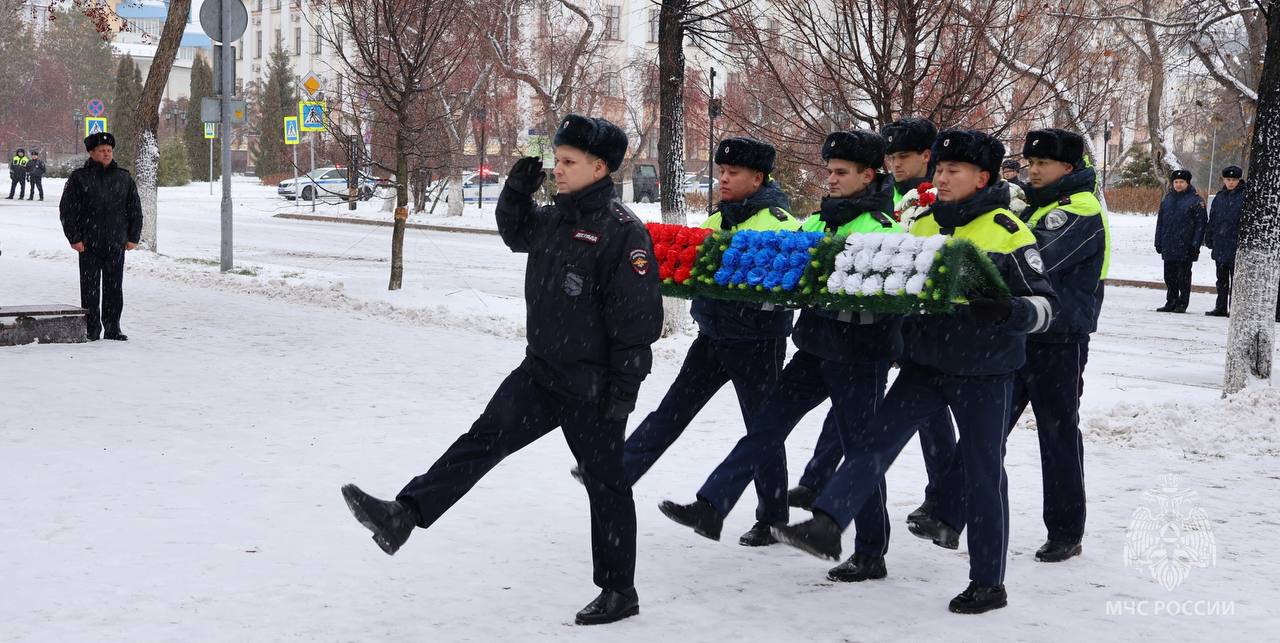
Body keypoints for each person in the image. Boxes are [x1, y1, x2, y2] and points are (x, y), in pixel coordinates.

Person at [339, 115, 662, 626]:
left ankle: (620, 590)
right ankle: (405, 515)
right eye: (557, 160)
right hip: (541, 374)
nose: (558, 169)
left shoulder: (623, 233)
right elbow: (515, 231)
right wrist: (516, 188)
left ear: (599, 168)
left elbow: (638, 322)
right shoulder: (556, 218)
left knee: (606, 485)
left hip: (593, 387)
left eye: (568, 161)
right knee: (482, 441)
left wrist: (624, 390)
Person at [770, 129, 1056, 615]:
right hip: (924, 364)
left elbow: (1048, 307)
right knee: (874, 444)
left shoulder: (1008, 231)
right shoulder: (921, 225)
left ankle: (989, 582)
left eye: (953, 170)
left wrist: (1009, 311)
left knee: (982, 474)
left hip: (984, 372)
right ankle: (828, 524)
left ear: (982, 177)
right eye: (939, 169)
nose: (941, 178)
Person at [659, 129, 901, 582]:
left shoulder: (884, 229)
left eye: (841, 172)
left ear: (868, 176)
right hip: (813, 349)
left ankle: (871, 552)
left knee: (858, 450)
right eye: (829, 171)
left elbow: (888, 300)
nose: (831, 179)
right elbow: (783, 272)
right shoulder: (817, 223)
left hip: (858, 357)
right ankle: (712, 506)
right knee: (765, 429)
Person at [590, 136, 801, 547]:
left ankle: (772, 518)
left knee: (761, 428)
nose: (723, 179)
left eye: (733, 173)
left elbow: (789, 286)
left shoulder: (780, 224)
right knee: (672, 411)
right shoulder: (717, 220)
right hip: (712, 337)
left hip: (757, 343)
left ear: (758, 178)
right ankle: (617, 472)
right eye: (722, 171)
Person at [911, 128, 1109, 565]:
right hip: (1016, 334)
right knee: (987, 431)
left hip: (1059, 339)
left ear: (1068, 168)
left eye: (1043, 164)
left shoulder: (1080, 209)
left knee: (1056, 433)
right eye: (1031, 163)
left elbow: (1036, 260)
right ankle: (945, 512)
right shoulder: (1035, 205)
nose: (1033, 171)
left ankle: (1065, 531)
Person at [59, 133, 142, 341]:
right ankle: (91, 329)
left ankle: (113, 328)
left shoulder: (123, 177)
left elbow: (135, 209)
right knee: (90, 288)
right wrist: (74, 238)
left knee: (114, 288)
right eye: (102, 150)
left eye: (109, 150)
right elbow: (68, 210)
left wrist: (133, 237)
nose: (106, 154)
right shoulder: (79, 178)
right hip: (88, 243)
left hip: (116, 242)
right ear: (91, 152)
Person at [1154, 169, 1206, 313]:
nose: (1178, 184)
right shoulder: (1167, 199)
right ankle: (1171, 301)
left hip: (1186, 246)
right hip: (1169, 244)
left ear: (1187, 183)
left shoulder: (1196, 201)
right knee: (1169, 276)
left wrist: (1195, 245)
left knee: (1183, 277)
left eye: (1181, 182)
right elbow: (1160, 222)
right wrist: (1158, 241)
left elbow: (1200, 225)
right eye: (1176, 182)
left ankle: (1182, 303)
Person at [1204, 165, 1245, 317]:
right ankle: (1220, 306)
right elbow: (1213, 218)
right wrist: (1209, 236)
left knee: (1236, 280)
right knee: (1221, 279)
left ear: (1239, 180)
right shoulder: (1220, 197)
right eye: (1228, 179)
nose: (1231, 182)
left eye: (1234, 179)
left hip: (1236, 244)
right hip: (1221, 243)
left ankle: (1234, 308)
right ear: (1224, 180)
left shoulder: (1245, 196)